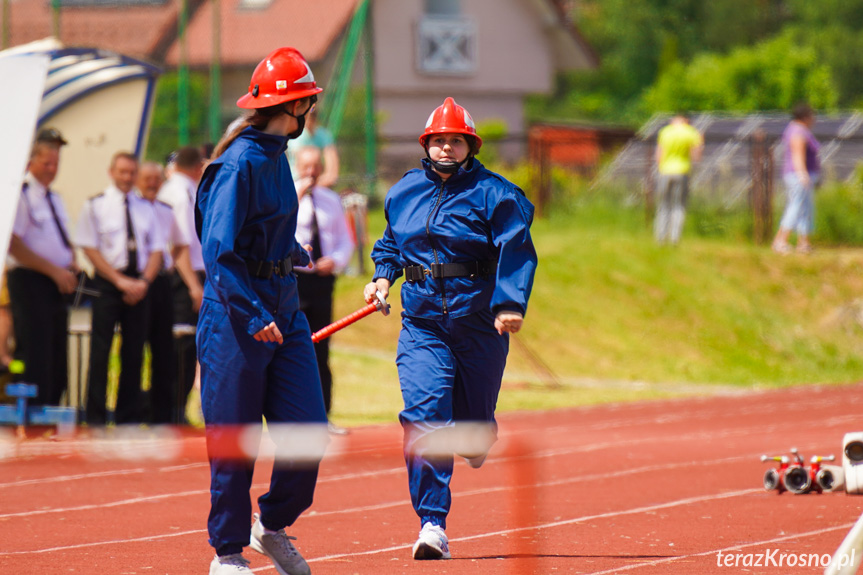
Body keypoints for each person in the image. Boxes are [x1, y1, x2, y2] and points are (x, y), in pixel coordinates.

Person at [362, 97, 537, 560]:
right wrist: (381, 278)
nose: (445, 148)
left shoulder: (496, 195)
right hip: (421, 326)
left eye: (454, 141)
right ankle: (432, 524)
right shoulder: (403, 191)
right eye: (438, 140)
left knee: (473, 426)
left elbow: (517, 250)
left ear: (469, 146)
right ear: (426, 144)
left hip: (480, 323)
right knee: (424, 414)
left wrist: (509, 304)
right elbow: (390, 245)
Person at [195, 46, 326, 575]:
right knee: (235, 438)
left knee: (308, 431)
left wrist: (289, 251)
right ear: (292, 108)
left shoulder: (276, 155)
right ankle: (227, 554)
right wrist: (251, 313)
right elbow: (219, 251)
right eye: (308, 102)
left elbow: (259, 229)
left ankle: (270, 525)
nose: (310, 111)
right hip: (235, 318)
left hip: (286, 312)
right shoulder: (238, 163)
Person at [77, 152, 164, 425]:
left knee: (134, 351)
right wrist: (118, 281)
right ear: (111, 172)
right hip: (108, 282)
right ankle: (96, 417)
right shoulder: (96, 205)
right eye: (122, 172)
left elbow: (157, 251)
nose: (127, 178)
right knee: (101, 350)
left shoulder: (145, 207)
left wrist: (143, 283)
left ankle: (128, 416)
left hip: (139, 283)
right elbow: (89, 248)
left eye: (131, 173)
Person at [6, 127, 77, 406]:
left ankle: (51, 412)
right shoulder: (22, 194)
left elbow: (58, 238)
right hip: (30, 280)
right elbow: (14, 244)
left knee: (56, 353)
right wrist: (53, 270)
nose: (51, 169)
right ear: (30, 161)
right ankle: (31, 417)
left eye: (56, 163)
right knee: (35, 351)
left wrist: (69, 263)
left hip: (55, 283)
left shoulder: (54, 197)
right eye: (46, 162)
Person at [293, 146, 354, 434]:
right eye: (306, 167)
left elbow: (345, 240)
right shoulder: (287, 197)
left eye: (316, 167)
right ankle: (293, 418)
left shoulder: (331, 200)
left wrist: (337, 260)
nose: (312, 172)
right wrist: (297, 195)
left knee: (321, 347)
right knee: (293, 349)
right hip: (294, 281)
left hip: (322, 282)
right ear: (297, 165)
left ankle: (323, 416)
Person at [138, 162, 193, 424]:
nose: (151, 183)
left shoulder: (165, 210)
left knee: (165, 351)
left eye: (156, 179)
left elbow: (180, 245)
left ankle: (163, 413)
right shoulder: (132, 208)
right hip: (137, 282)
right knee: (134, 350)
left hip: (164, 281)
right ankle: (133, 410)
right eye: (146, 178)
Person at [157, 145, 205, 422]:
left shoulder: (184, 190)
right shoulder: (181, 193)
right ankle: (173, 409)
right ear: (197, 168)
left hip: (190, 273)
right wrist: (193, 285)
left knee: (189, 346)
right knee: (182, 345)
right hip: (184, 276)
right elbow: (180, 245)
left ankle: (177, 408)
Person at [772, 102, 821, 255]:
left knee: (806, 209)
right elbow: (797, 154)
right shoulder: (798, 131)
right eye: (812, 115)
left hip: (801, 175)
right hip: (798, 175)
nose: (814, 119)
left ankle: (803, 243)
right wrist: (803, 174)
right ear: (805, 116)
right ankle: (780, 241)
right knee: (795, 207)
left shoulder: (799, 130)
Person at [653, 113, 703, 245]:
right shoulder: (691, 132)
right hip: (682, 171)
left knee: (663, 205)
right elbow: (696, 155)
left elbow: (658, 155)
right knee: (678, 206)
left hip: (664, 171)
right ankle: (675, 238)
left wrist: (660, 168)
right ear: (687, 120)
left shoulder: (665, 131)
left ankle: (660, 238)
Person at [287, 108, 339, 188]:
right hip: (296, 182)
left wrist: (319, 184)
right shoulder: (296, 137)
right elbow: (301, 167)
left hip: (317, 184)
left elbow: (332, 171)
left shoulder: (324, 135)